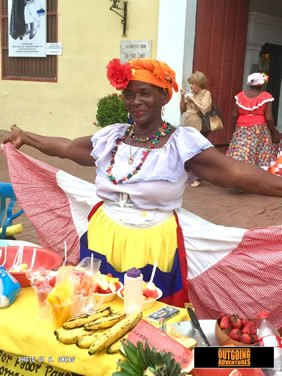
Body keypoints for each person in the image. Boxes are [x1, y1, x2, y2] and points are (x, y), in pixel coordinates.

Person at [2, 58, 282, 329]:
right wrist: (28, 137)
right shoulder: (112, 138)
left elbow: (236, 173)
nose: (135, 101)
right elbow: (68, 148)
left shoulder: (180, 144)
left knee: (148, 316)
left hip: (154, 243)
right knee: (97, 308)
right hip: (102, 235)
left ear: (164, 95)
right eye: (129, 95)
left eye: (144, 93)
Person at [226, 72, 281, 177]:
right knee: (259, 153)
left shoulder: (240, 96)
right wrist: (274, 132)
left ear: (249, 83)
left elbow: (234, 115)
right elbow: (269, 118)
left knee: (242, 152)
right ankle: (255, 178)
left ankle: (239, 176)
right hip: (259, 130)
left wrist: (234, 131)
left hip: (241, 128)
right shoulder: (266, 96)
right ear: (261, 84)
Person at [180, 71, 212, 187]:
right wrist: (183, 96)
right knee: (188, 151)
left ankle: (198, 177)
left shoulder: (206, 94)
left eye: (193, 84)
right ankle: (189, 175)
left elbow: (205, 109)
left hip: (200, 126)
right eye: (190, 84)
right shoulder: (191, 93)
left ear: (199, 83)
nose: (191, 86)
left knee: (198, 152)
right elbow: (182, 110)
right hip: (188, 124)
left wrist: (193, 100)